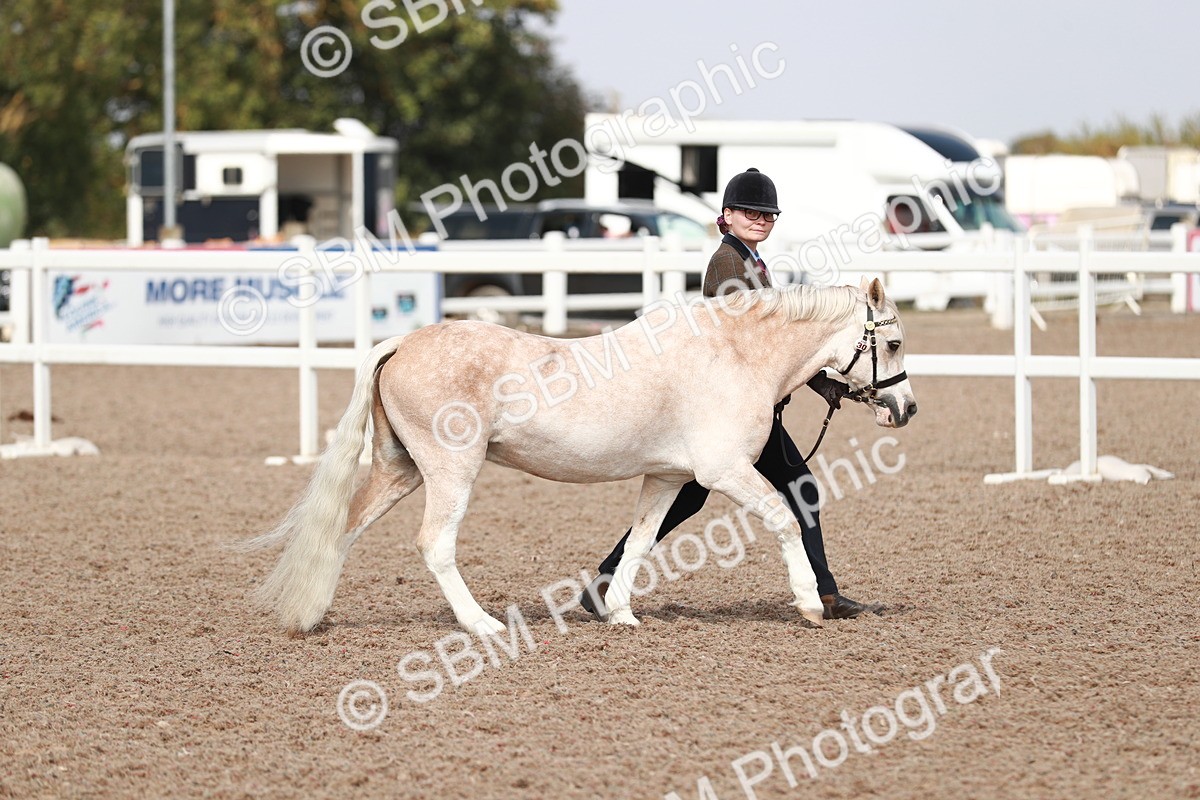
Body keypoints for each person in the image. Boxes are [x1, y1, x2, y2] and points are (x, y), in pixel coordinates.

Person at [580, 167, 878, 621]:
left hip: (745, 403)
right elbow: (750, 339)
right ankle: (824, 594)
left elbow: (781, 345)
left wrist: (823, 383)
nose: (760, 219)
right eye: (750, 212)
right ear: (728, 215)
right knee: (796, 487)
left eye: (768, 213)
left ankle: (605, 582)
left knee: (695, 496)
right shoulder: (727, 264)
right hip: (730, 408)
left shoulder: (751, 262)